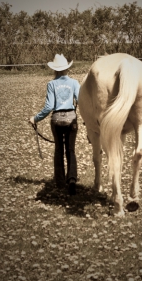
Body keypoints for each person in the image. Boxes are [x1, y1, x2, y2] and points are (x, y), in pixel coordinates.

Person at [30, 54, 80, 195]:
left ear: (55, 69)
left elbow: (48, 107)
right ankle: (72, 179)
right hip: (71, 119)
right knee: (70, 150)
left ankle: (60, 183)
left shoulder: (51, 84)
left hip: (56, 120)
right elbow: (81, 101)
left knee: (59, 150)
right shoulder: (75, 83)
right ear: (66, 68)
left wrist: (35, 118)